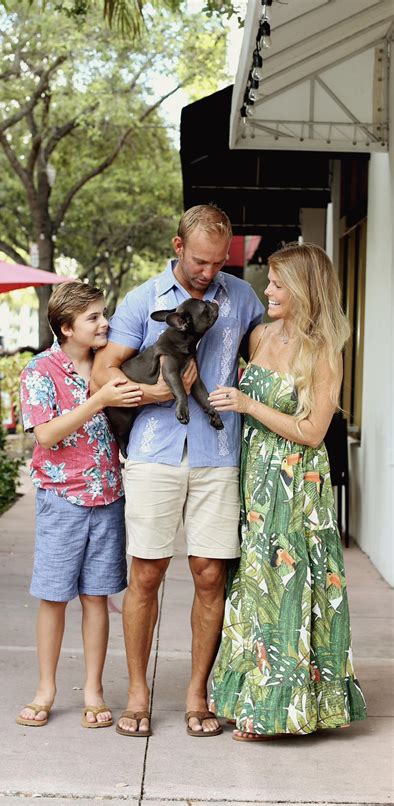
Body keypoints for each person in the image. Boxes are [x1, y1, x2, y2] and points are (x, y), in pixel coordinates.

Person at [91, 204, 264, 736]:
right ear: (178, 246)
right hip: (153, 451)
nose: (210, 273)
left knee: (211, 575)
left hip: (218, 454)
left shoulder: (242, 298)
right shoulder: (144, 300)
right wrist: (157, 393)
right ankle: (139, 695)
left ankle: (197, 695)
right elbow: (103, 369)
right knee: (147, 573)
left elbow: (270, 352)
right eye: (201, 262)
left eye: (218, 263)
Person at [208, 242, 367, 740]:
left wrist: (249, 406)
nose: (268, 291)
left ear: (302, 289)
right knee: (253, 585)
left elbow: (313, 431)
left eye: (277, 283)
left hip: (297, 486)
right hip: (255, 480)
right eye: (269, 281)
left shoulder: (323, 351)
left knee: (288, 588)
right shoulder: (258, 336)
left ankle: (281, 710)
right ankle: (250, 699)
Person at [16, 281, 142, 729]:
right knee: (53, 597)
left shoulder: (109, 366)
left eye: (103, 313)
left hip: (108, 498)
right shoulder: (40, 370)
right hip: (62, 500)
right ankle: (45, 689)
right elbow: (47, 435)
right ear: (66, 328)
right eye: (93, 317)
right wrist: (100, 400)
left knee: (96, 596)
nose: (105, 322)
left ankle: (93, 689)